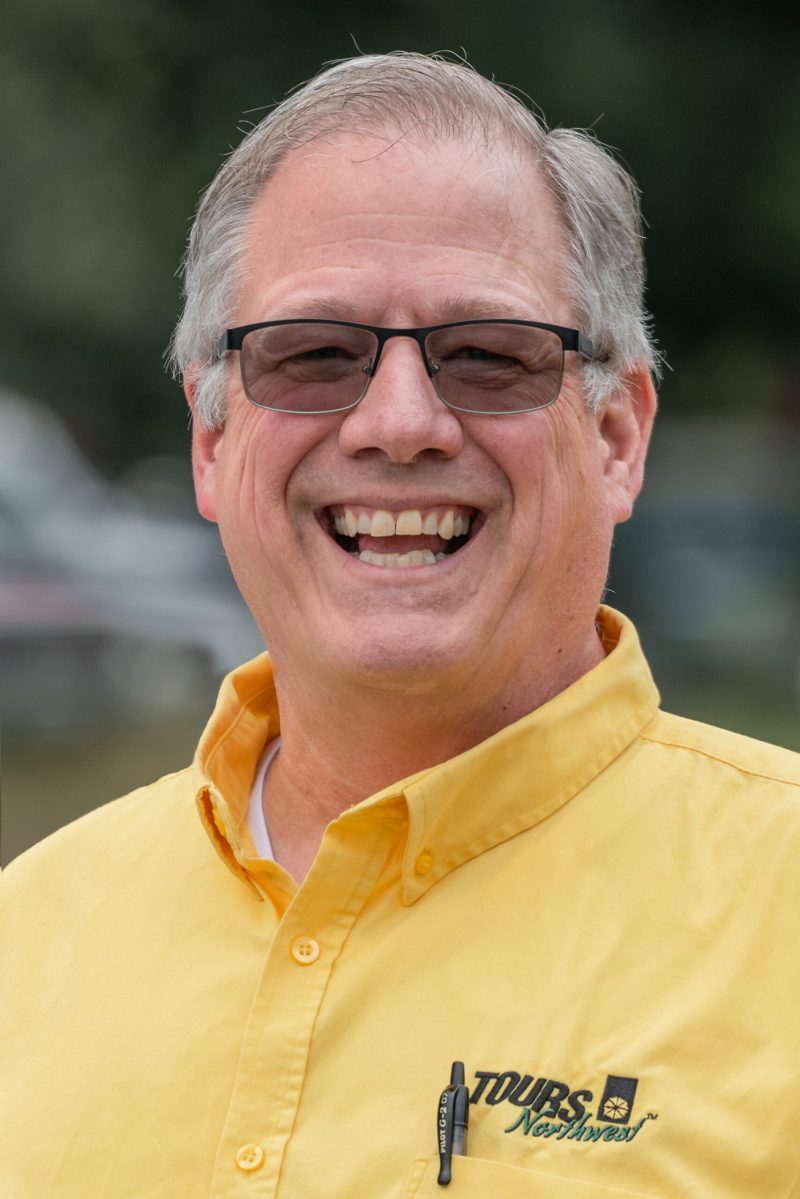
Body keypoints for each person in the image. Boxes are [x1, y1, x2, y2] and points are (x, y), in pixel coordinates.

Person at [2, 51, 799, 1199]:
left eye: (486, 355)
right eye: (313, 354)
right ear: (213, 443)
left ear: (617, 436)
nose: (399, 421)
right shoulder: (29, 930)